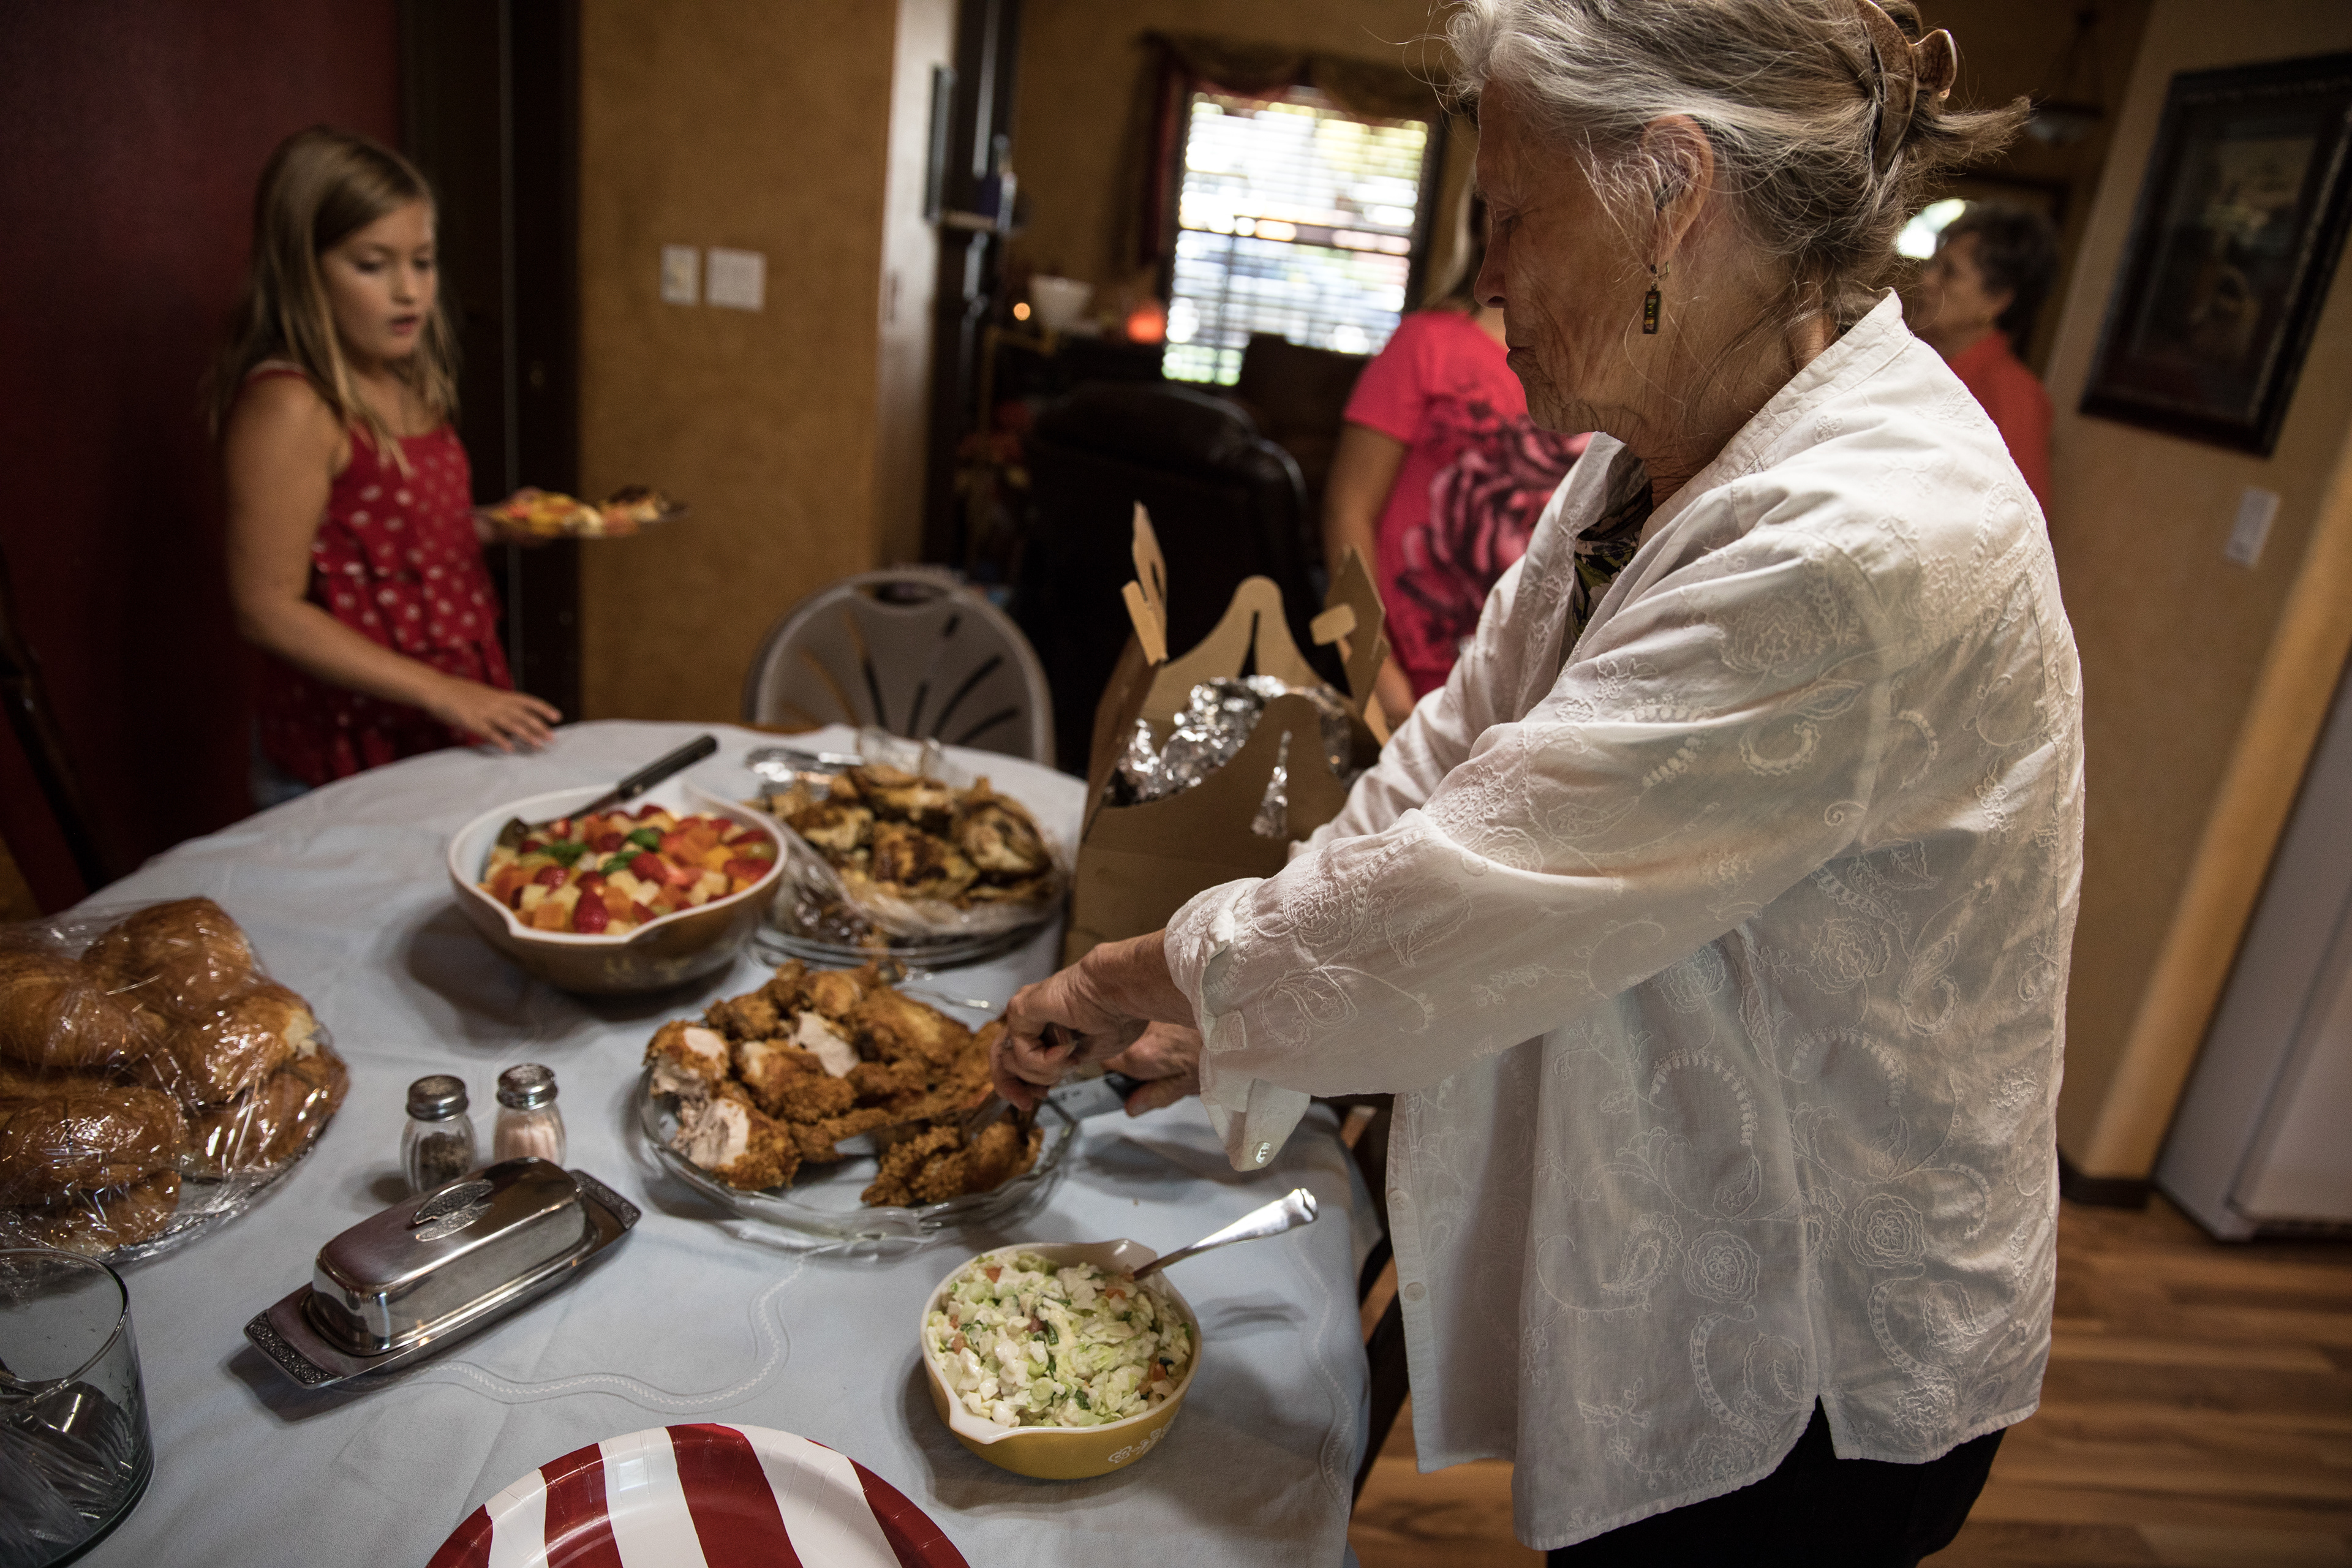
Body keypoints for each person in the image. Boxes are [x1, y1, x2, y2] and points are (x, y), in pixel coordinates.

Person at [994, 1, 2081, 1561]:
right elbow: (1454, 753)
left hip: (1811, 1317)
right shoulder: (1649, 446)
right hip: (1683, 1195)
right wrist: (1215, 1004)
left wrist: (1129, 973)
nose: (1482, 268)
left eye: (1509, 217)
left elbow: (1465, 882)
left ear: (1671, 191)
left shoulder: (1860, 540)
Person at [211, 126, 559, 801]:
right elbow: (266, 607)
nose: (409, 291)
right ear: (303, 269)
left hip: (438, 727)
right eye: (372, 265)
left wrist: (491, 526)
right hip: (344, 748)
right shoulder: (292, 406)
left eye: (423, 262)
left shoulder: (406, 379)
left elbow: (384, 542)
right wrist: (441, 691)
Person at [1324, 200, 1589, 728]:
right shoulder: (1427, 344)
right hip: (1412, 681)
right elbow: (1347, 511)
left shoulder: (1598, 371)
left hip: (1531, 700)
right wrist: (1376, 670)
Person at [1908, 202, 2059, 512]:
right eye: (1933, 265)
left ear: (1997, 300)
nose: (1927, 281)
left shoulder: (2014, 398)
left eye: (1949, 273)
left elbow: (2016, 528)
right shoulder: (1916, 360)